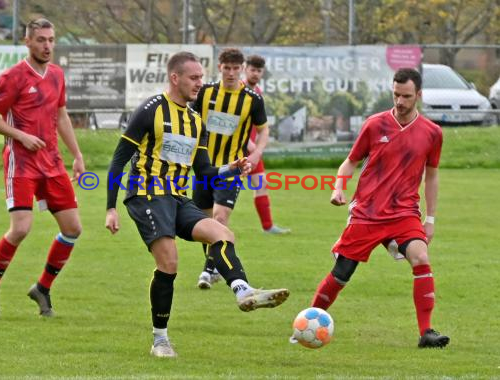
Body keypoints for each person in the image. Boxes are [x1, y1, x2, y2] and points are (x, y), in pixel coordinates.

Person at [105, 52, 289, 358]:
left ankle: (243, 291)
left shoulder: (195, 121)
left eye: (202, 78)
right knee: (170, 264)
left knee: (223, 234)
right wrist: (111, 207)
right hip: (146, 193)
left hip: (176, 197)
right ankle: (160, 340)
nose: (200, 84)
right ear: (175, 78)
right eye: (194, 78)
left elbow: (203, 171)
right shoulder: (151, 110)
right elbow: (118, 159)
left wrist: (231, 167)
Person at [303, 68, 449, 348]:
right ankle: (309, 321)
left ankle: (426, 332)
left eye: (406, 96)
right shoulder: (375, 124)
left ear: (418, 95)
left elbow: (432, 175)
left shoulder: (432, 133)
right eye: (396, 95)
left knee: (421, 258)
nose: (400, 101)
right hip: (367, 213)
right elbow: (350, 161)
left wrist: (429, 219)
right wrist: (338, 187)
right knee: (342, 273)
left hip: (404, 213)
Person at [0, 19, 84, 319]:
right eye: (40, 40)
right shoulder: (12, 76)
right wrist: (21, 136)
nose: (47, 45)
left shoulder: (56, 75)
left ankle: (43, 288)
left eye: (51, 39)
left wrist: (77, 154)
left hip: (51, 164)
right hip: (21, 163)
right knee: (21, 228)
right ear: (27, 42)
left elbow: (62, 116)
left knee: (73, 229)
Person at [190, 48, 269, 289]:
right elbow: (189, 119)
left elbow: (264, 129)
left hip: (232, 168)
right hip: (204, 168)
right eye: (227, 68)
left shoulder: (252, 99)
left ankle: (207, 270)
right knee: (204, 222)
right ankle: (213, 266)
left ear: (242, 69)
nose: (232, 73)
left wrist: (256, 154)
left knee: (220, 216)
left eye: (236, 69)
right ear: (220, 67)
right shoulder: (205, 93)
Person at [243, 54, 291, 235]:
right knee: (224, 192)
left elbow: (259, 124)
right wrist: (246, 142)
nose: (255, 73)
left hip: (253, 151)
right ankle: (214, 228)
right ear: (245, 69)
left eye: (258, 70)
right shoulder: (238, 92)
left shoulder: (258, 93)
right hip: (236, 149)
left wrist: (257, 142)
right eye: (252, 70)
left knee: (260, 185)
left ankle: (268, 226)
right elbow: (232, 123)